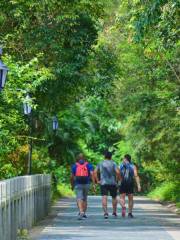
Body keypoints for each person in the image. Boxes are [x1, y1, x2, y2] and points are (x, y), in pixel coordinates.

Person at [94, 151, 120, 219]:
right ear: (111, 156)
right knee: (114, 197)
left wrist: (97, 181)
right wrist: (117, 180)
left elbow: (95, 172)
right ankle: (114, 212)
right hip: (112, 183)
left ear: (104, 156)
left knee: (104, 197)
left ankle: (105, 213)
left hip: (103, 183)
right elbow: (118, 172)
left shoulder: (101, 163)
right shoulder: (114, 163)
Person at [71, 153, 95, 220]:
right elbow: (92, 174)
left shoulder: (74, 166)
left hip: (78, 184)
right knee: (85, 198)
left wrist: (72, 185)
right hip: (86, 183)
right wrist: (93, 184)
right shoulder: (89, 165)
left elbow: (72, 177)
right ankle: (84, 213)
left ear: (77, 158)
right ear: (84, 158)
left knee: (79, 198)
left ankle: (81, 211)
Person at [119, 154, 141, 218]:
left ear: (125, 159)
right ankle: (130, 213)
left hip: (122, 183)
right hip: (130, 183)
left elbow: (117, 174)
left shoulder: (120, 166)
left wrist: (117, 182)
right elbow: (136, 176)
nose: (123, 159)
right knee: (130, 199)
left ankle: (123, 206)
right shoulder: (133, 166)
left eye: (123, 158)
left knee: (121, 198)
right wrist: (138, 185)